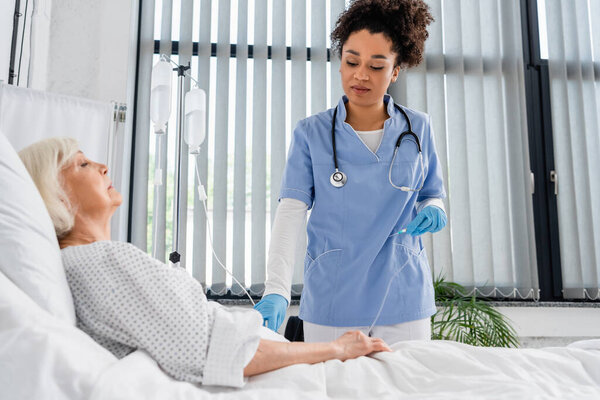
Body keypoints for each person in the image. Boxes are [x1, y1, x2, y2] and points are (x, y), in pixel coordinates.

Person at [18, 137, 391, 389]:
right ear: (56, 194)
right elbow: (223, 353)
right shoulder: (100, 263)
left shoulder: (94, 262)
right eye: (81, 164)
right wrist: (337, 349)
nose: (101, 165)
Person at [254, 0, 447, 344]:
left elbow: (431, 192)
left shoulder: (418, 127)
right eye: (351, 61)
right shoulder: (311, 134)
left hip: (403, 293)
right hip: (333, 297)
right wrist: (277, 289)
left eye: (376, 66)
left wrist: (434, 208)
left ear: (396, 70)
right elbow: (290, 212)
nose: (360, 75)